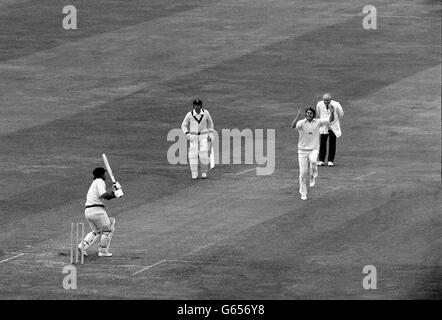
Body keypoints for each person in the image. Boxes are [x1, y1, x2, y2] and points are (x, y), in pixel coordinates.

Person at [291, 106, 334, 200]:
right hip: (302, 151)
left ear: (313, 115)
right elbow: (293, 126)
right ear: (305, 114)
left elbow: (330, 120)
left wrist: (332, 112)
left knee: (314, 161)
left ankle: (312, 177)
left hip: (314, 149)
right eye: (307, 113)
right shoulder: (301, 123)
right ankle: (303, 193)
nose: (308, 114)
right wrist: (298, 116)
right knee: (302, 173)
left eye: (310, 113)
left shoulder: (318, 122)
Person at [79, 167, 121, 257]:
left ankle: (82, 246)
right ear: (102, 175)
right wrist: (117, 193)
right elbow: (105, 195)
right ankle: (102, 251)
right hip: (97, 211)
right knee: (108, 230)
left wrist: (114, 193)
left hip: (88, 211)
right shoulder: (100, 181)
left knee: (96, 231)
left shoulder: (94, 183)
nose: (105, 175)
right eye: (104, 174)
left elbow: (106, 196)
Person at [181, 99, 215, 179]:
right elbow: (184, 125)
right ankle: (194, 173)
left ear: (201, 105)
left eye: (198, 105)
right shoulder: (189, 114)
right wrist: (187, 134)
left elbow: (210, 123)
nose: (197, 107)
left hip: (203, 136)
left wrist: (210, 133)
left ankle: (204, 172)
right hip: (193, 136)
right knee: (193, 155)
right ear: (193, 106)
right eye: (196, 105)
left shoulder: (206, 113)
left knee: (203, 155)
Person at [316, 93, 344, 166]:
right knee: (322, 142)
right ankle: (321, 160)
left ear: (330, 99)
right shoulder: (319, 104)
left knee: (332, 143)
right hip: (324, 126)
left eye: (327, 100)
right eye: (325, 100)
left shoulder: (336, 104)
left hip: (333, 126)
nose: (326, 102)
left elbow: (341, 114)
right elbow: (318, 113)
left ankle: (330, 160)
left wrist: (334, 120)